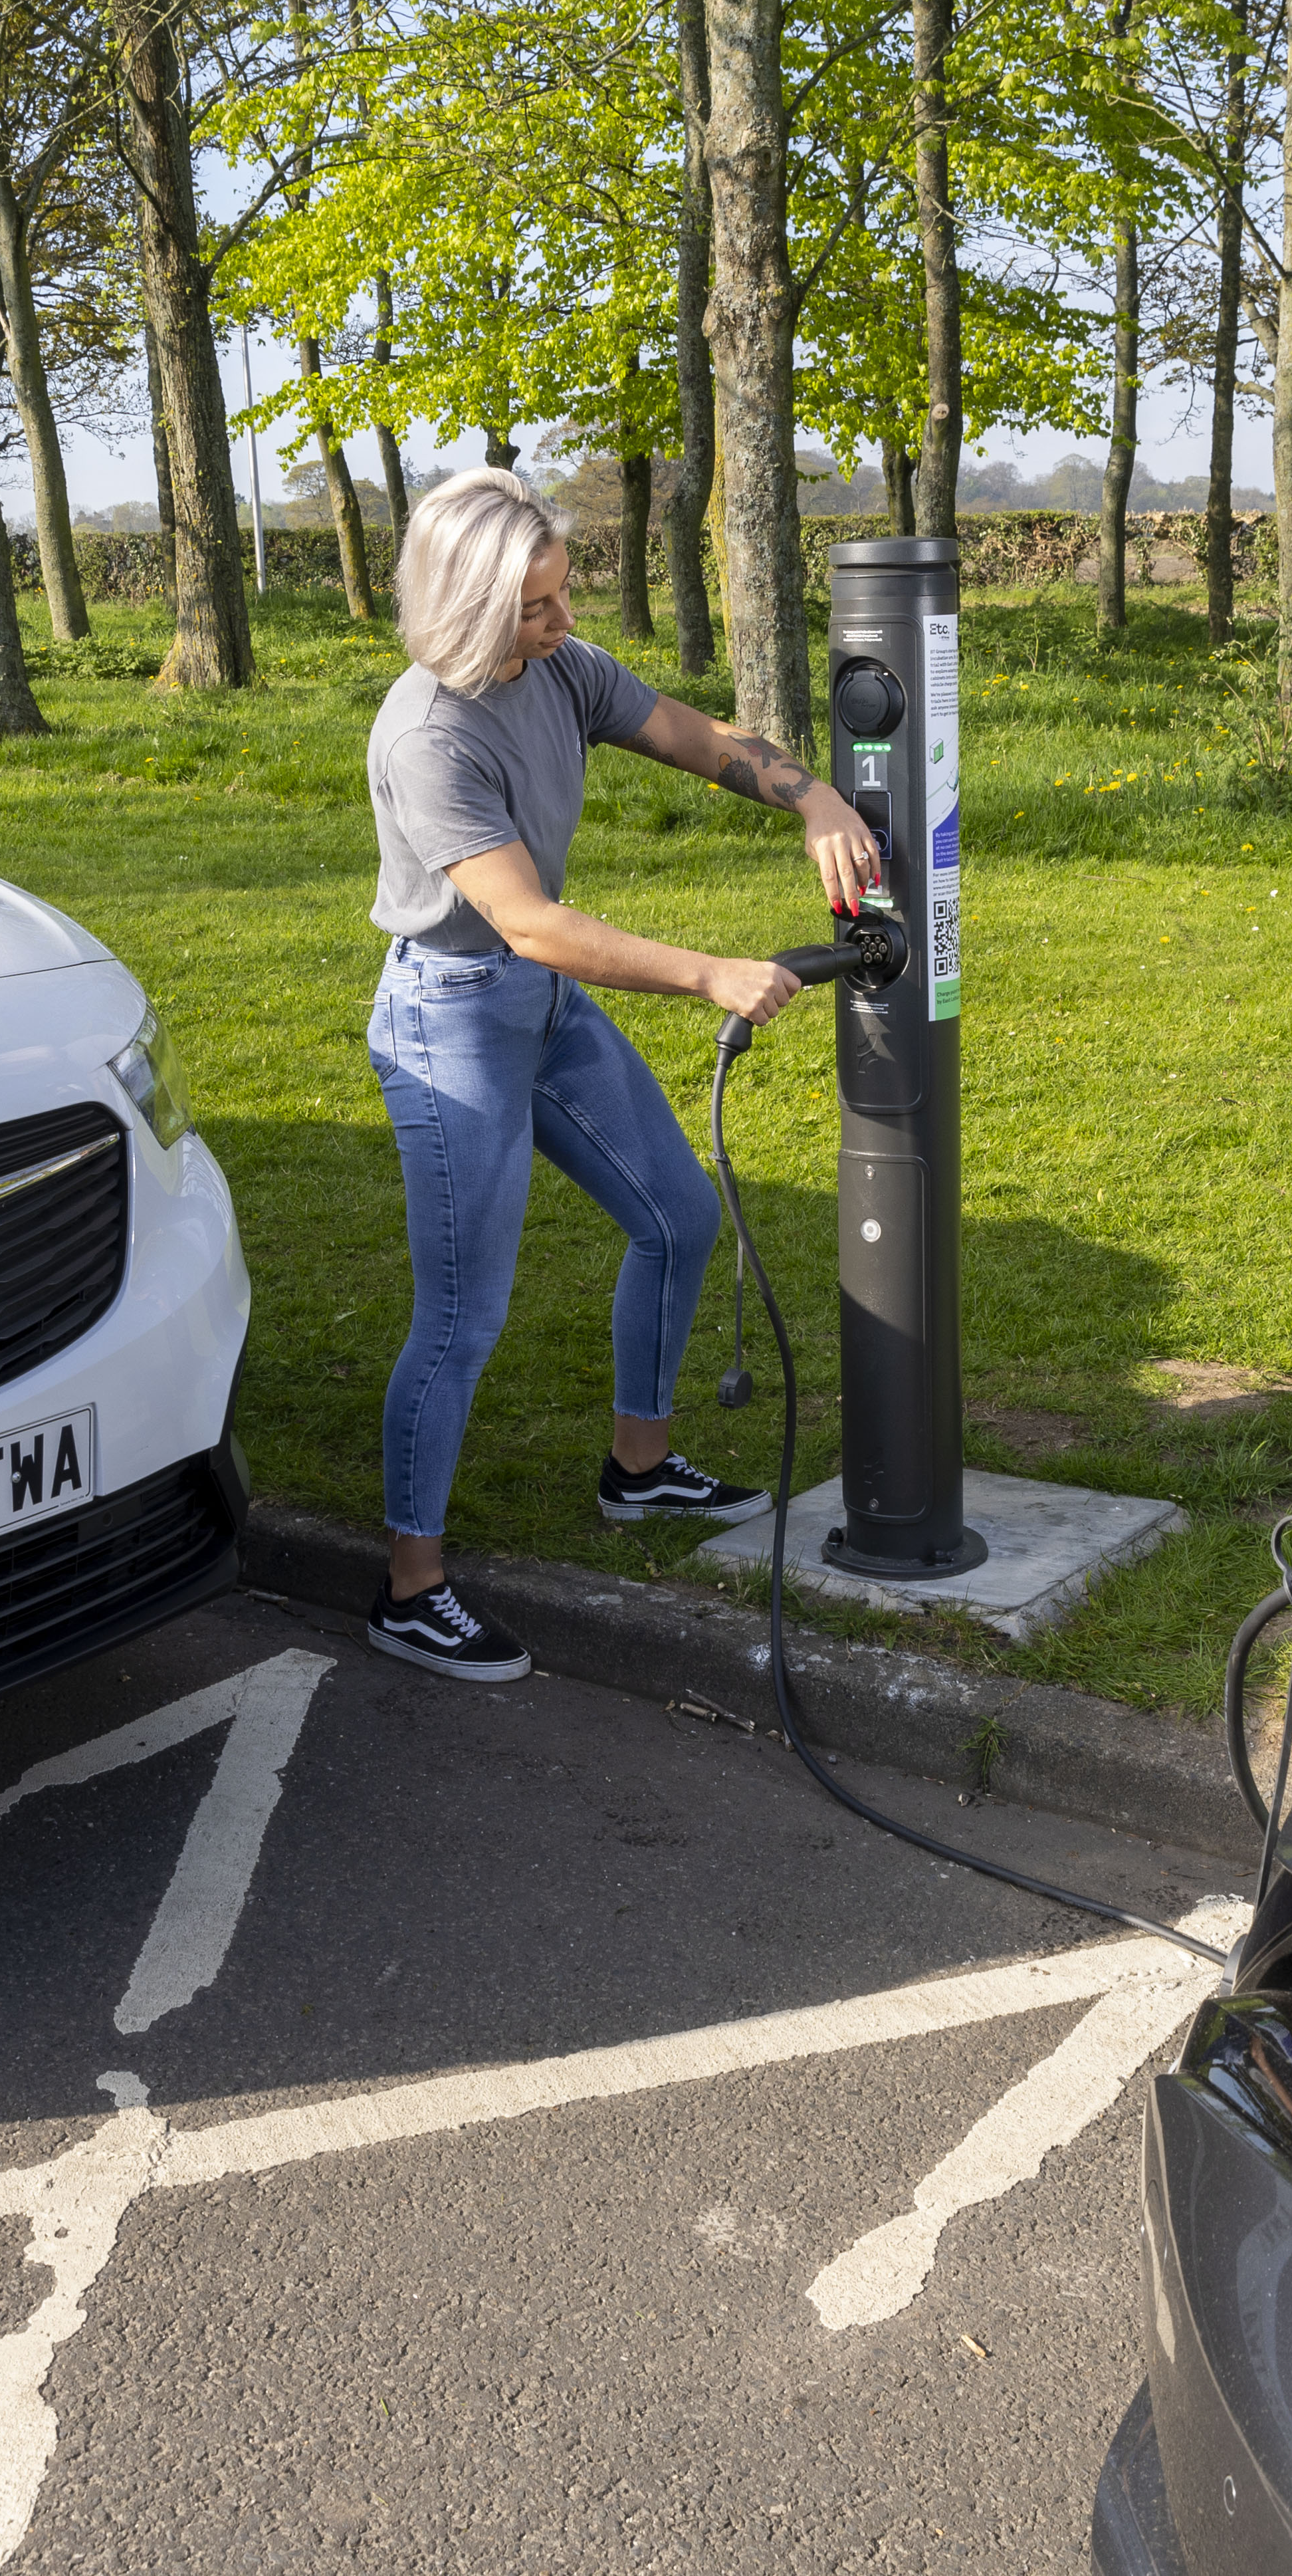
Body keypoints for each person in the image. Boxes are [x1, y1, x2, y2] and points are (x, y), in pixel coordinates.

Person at [360, 468, 883, 1683]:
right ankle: (410, 1586)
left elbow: (696, 741)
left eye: (559, 596)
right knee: (461, 1317)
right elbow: (528, 923)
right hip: (455, 1018)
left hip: (539, 1005)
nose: (562, 623)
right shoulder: (430, 738)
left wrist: (808, 797)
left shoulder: (562, 670)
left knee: (678, 1218)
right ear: (467, 611)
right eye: (535, 608)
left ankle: (639, 1473)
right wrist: (709, 973)